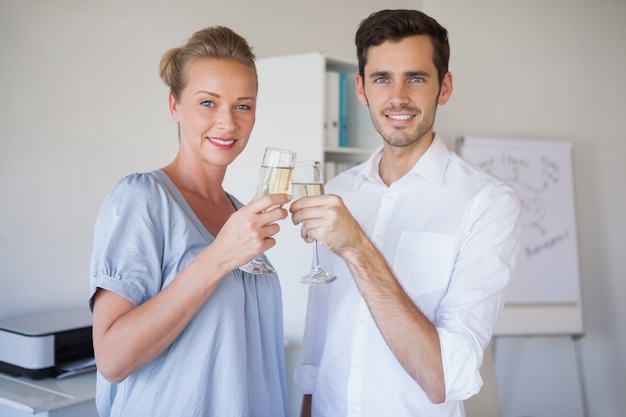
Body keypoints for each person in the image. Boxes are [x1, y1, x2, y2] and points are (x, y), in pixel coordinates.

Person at [290, 9, 522, 417]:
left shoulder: (488, 204)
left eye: (415, 77)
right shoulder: (339, 192)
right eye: (382, 78)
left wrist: (358, 248)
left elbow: (444, 380)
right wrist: (308, 404)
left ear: (444, 87)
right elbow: (321, 324)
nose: (398, 96)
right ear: (361, 89)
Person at [89, 26, 291, 417]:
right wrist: (217, 258)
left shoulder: (237, 212)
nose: (228, 123)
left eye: (243, 105)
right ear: (174, 106)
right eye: (208, 103)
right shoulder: (142, 199)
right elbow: (112, 359)